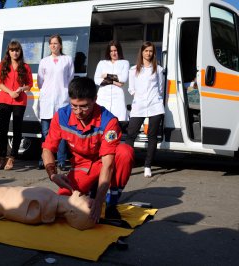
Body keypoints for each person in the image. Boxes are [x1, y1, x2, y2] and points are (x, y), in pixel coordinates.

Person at [42, 77, 134, 223]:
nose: (78, 112)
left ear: (95, 99)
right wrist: (52, 174)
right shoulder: (61, 116)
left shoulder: (108, 121)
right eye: (74, 106)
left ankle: (111, 203)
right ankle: (92, 189)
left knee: (124, 152)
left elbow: (108, 164)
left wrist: (98, 202)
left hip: (103, 162)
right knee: (63, 201)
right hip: (82, 166)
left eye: (84, 106)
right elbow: (47, 148)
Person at [125, 41, 165, 178]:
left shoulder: (158, 69)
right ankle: (127, 164)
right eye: (146, 50)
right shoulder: (133, 69)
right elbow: (131, 88)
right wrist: (138, 96)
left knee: (152, 136)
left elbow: (160, 88)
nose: (148, 53)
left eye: (151, 51)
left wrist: (156, 98)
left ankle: (148, 165)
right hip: (139, 105)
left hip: (155, 105)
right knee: (131, 134)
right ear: (141, 52)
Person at [37, 34, 75, 171]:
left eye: (56, 43)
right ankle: (45, 159)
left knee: (62, 132)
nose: (54, 45)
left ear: (61, 45)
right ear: (49, 46)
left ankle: (61, 160)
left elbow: (70, 78)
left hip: (62, 99)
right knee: (46, 132)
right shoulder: (44, 61)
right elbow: (40, 82)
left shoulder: (67, 60)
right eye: (51, 43)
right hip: (47, 99)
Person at [0, 40, 33, 170]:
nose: (14, 52)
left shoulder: (25, 67)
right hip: (5, 99)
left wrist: (22, 89)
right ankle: (2, 158)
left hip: (19, 101)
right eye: (12, 50)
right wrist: (10, 92)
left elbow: (29, 85)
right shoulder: (2, 65)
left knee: (17, 130)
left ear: (20, 52)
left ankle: (12, 158)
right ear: (8, 52)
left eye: (17, 50)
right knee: (3, 130)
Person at [0, 186, 96, 230]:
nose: (87, 198)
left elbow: (7, 207)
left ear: (73, 212)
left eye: (87, 205)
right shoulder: (49, 199)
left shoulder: (39, 208)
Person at [94, 40, 129, 122]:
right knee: (101, 119)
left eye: (115, 50)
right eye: (111, 51)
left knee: (118, 120)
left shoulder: (124, 63)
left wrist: (107, 76)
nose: (113, 53)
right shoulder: (102, 63)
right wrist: (114, 82)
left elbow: (123, 78)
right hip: (103, 96)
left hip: (118, 97)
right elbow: (97, 80)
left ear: (119, 51)